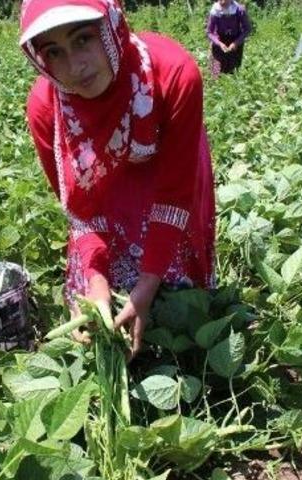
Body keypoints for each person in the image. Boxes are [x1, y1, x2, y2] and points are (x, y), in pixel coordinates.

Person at [21, 0, 216, 357]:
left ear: (111, 28)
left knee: (177, 297)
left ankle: (163, 303)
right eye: (54, 51)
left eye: (83, 39)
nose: (74, 66)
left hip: (167, 166)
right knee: (95, 300)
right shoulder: (47, 109)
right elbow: (81, 211)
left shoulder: (173, 73)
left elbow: (175, 195)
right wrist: (97, 286)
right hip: (104, 188)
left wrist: (145, 290)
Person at [205, 0, 252, 76]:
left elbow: (247, 29)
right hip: (219, 42)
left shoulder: (239, 10)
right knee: (216, 73)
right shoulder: (215, 11)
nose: (222, 3)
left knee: (232, 73)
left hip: (235, 41)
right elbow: (209, 32)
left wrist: (236, 43)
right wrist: (219, 43)